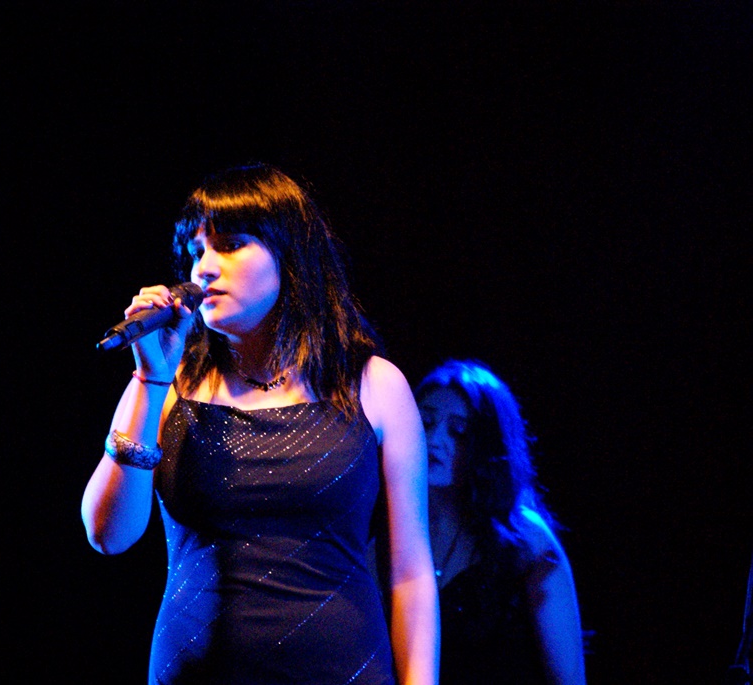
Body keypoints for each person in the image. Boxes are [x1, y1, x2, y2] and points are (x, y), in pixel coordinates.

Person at [82, 163, 439, 684]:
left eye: (229, 246)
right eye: (196, 251)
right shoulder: (169, 387)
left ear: (289, 255)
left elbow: (410, 574)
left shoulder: (373, 385)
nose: (203, 269)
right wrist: (149, 378)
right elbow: (107, 534)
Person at [414, 359, 586, 685]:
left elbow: (569, 678)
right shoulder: (389, 539)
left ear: (486, 447)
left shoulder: (527, 542)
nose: (434, 439)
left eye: (458, 431)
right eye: (425, 422)